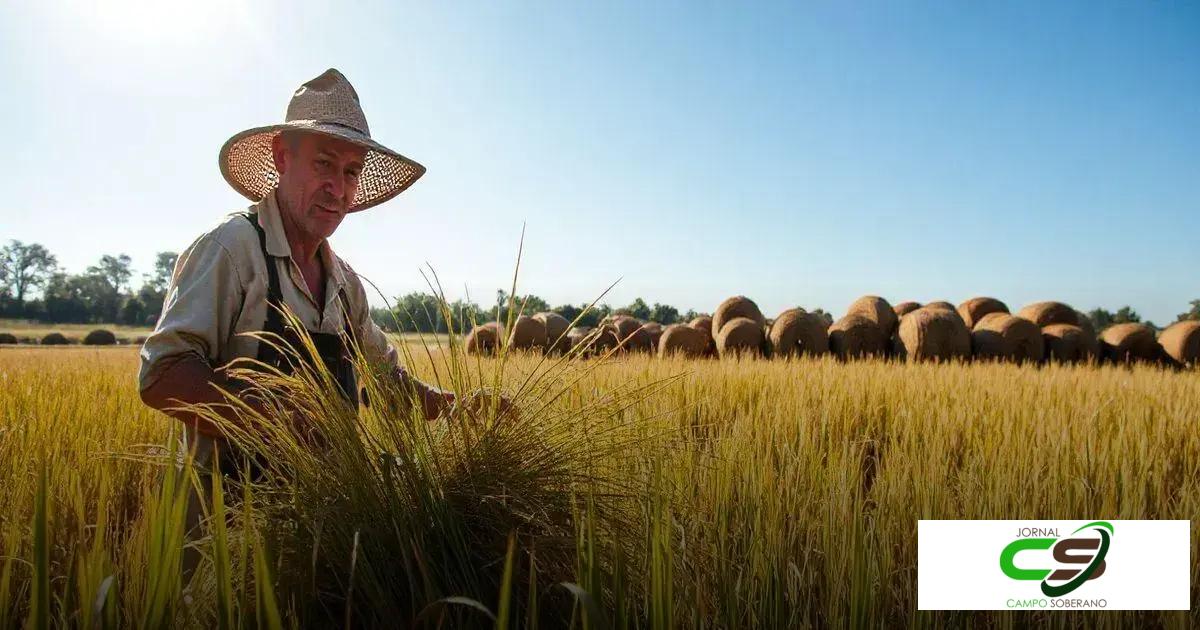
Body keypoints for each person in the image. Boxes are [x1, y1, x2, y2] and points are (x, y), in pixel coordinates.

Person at [138, 69, 501, 549]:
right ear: (282, 158)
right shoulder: (232, 250)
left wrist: (459, 407)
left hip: (322, 533)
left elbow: (387, 385)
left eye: (352, 172)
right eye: (324, 164)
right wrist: (275, 418)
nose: (339, 187)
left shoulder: (346, 284)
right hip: (222, 542)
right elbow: (162, 375)